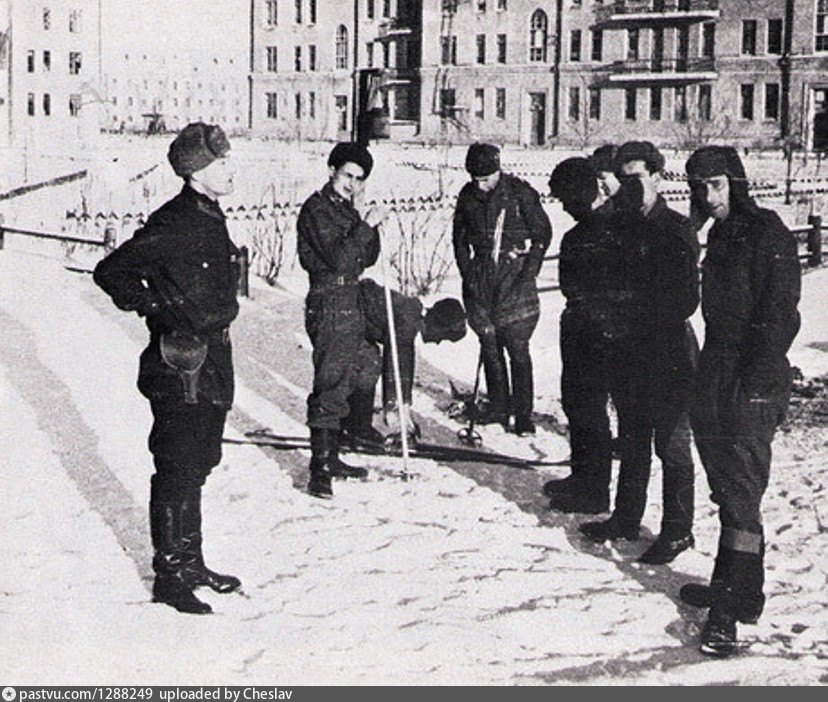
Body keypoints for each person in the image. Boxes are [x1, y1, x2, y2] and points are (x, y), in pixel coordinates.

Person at [93, 123, 242, 615]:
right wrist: (157, 308)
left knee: (198, 462)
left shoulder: (209, 214)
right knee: (177, 465)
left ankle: (191, 562)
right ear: (196, 172)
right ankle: (170, 575)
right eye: (221, 163)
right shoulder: (175, 220)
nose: (231, 169)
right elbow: (111, 271)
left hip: (212, 358)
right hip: (180, 364)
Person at [682, 146, 801, 656]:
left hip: (751, 377)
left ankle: (727, 611)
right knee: (727, 489)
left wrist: (754, 384)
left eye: (716, 184)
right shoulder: (719, 233)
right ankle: (742, 589)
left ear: (736, 181)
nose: (708, 196)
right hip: (716, 371)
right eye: (698, 187)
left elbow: (781, 314)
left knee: (741, 494)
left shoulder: (767, 232)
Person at [579, 141, 700, 566]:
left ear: (658, 178)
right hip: (627, 350)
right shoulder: (617, 226)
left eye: (637, 178)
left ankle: (678, 531)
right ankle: (626, 518)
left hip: (667, 352)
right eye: (623, 179)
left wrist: (631, 306)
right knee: (632, 440)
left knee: (671, 445)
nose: (629, 186)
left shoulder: (676, 228)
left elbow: (685, 299)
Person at [545, 156, 638, 514]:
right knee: (577, 407)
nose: (565, 208)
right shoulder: (579, 234)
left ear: (582, 193)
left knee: (590, 412)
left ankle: (593, 492)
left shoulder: (617, 229)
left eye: (567, 199)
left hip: (604, 338)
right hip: (581, 333)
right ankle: (581, 477)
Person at [297, 142, 387, 499]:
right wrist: (364, 226)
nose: (353, 184)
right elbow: (340, 260)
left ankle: (342, 444)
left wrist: (367, 223)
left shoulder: (348, 208)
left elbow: (367, 257)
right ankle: (320, 468)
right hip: (329, 299)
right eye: (348, 175)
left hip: (351, 298)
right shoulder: (317, 210)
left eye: (360, 179)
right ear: (332, 171)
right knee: (331, 380)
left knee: (366, 362)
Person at [452, 142, 553, 435]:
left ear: (498, 171)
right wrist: (468, 273)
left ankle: (523, 416)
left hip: (515, 278)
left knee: (517, 348)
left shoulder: (519, 193)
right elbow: (459, 239)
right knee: (490, 345)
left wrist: (529, 271)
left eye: (485, 179)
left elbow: (543, 233)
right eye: (475, 179)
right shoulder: (467, 196)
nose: (479, 185)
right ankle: (498, 408)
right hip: (482, 278)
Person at [345, 280, 467, 447]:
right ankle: (351, 427)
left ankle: (356, 426)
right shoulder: (407, 319)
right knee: (366, 364)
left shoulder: (411, 315)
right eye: (443, 336)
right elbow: (397, 367)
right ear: (436, 323)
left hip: (356, 321)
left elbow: (404, 362)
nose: (438, 342)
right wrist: (398, 414)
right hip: (345, 314)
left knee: (369, 363)